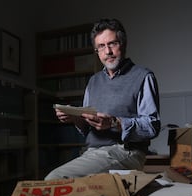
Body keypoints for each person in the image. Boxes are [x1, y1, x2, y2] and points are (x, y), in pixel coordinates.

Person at [45, 18, 161, 180]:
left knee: (54, 179)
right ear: (96, 50)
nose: (108, 52)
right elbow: (87, 128)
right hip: (93, 152)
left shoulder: (143, 76)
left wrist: (115, 123)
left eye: (112, 44)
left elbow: (152, 126)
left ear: (123, 44)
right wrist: (74, 118)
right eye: (101, 46)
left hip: (126, 151)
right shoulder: (94, 81)